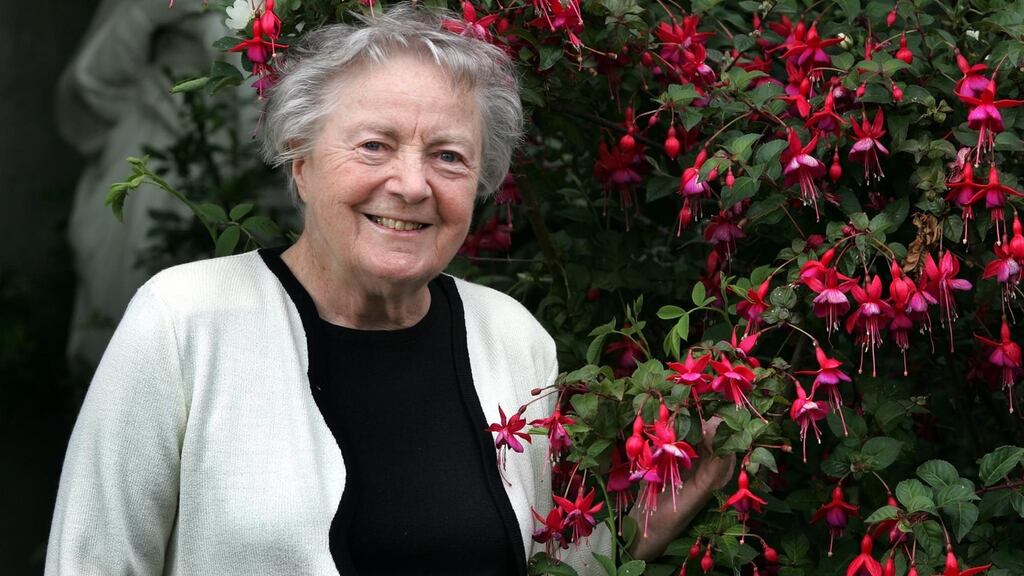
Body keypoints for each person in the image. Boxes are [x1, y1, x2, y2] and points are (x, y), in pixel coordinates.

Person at [46, 5, 732, 574]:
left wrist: (642, 526)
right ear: (301, 163)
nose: (411, 184)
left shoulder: (510, 336)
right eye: (374, 145)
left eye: (448, 156)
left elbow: (540, 563)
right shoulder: (183, 322)